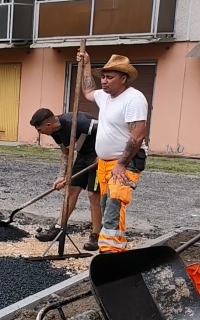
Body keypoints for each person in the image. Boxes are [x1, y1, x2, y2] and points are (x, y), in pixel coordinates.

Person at [77, 52, 149, 253]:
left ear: (123, 78)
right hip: (105, 162)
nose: (104, 81)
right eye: (103, 77)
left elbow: (137, 136)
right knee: (106, 203)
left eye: (110, 77)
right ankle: (115, 247)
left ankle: (110, 253)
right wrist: (87, 64)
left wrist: (120, 164)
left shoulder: (134, 99)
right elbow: (88, 91)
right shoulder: (104, 97)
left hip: (126, 162)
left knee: (114, 205)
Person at [29, 108, 102, 251]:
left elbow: (106, 130)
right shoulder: (55, 133)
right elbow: (66, 153)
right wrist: (62, 176)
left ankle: (95, 236)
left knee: (93, 195)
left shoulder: (78, 122)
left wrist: (103, 153)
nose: (39, 132)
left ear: (48, 125)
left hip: (98, 156)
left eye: (39, 129)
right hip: (83, 155)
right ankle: (58, 228)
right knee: (71, 191)